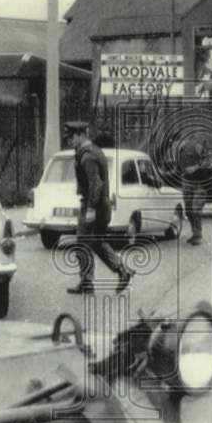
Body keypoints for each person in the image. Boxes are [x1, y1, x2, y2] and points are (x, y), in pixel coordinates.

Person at [65, 122, 132, 295]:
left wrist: (90, 209)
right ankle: (121, 271)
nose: (70, 141)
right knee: (96, 242)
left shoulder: (88, 156)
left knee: (83, 244)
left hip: (94, 205)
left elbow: (96, 184)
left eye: (72, 137)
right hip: (101, 205)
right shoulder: (93, 151)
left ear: (81, 135)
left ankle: (88, 282)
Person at [176, 133, 212, 246]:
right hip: (187, 181)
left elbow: (207, 166)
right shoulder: (184, 149)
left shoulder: (205, 152)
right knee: (188, 210)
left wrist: (196, 167)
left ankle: (197, 234)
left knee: (196, 209)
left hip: (200, 183)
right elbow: (180, 165)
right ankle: (195, 232)